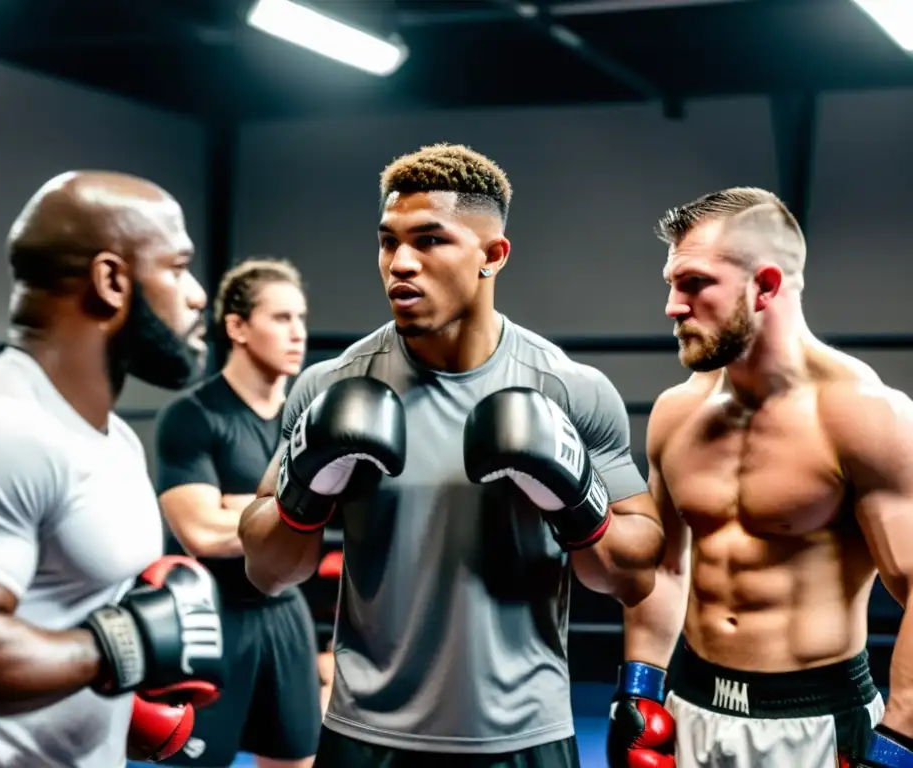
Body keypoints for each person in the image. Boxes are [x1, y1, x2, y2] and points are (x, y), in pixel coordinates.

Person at [238, 142, 666, 767]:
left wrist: (577, 498)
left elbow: (632, 576)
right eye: (388, 242)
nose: (399, 264)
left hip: (524, 738)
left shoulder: (568, 388)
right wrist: (305, 489)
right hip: (366, 737)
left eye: (430, 241)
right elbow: (270, 569)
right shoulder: (332, 387)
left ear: (493, 255)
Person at [0, 171, 226, 768]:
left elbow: (65, 617)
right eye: (177, 268)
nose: (199, 294)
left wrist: (116, 709)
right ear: (112, 281)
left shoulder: (115, 439)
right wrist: (119, 650)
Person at [606, 187, 913, 768]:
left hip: (816, 725)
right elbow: (668, 567)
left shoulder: (865, 416)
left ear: (766, 285)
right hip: (692, 706)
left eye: (694, 283)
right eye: (671, 283)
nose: (673, 306)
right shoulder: (676, 414)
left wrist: (900, 739)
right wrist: (639, 690)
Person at [154, 258, 323, 768]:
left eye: (301, 318)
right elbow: (201, 532)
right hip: (212, 620)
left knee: (298, 761)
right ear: (237, 327)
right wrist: (306, 504)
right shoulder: (193, 416)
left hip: (286, 615)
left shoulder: (310, 421)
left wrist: (244, 507)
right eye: (280, 318)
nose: (298, 334)